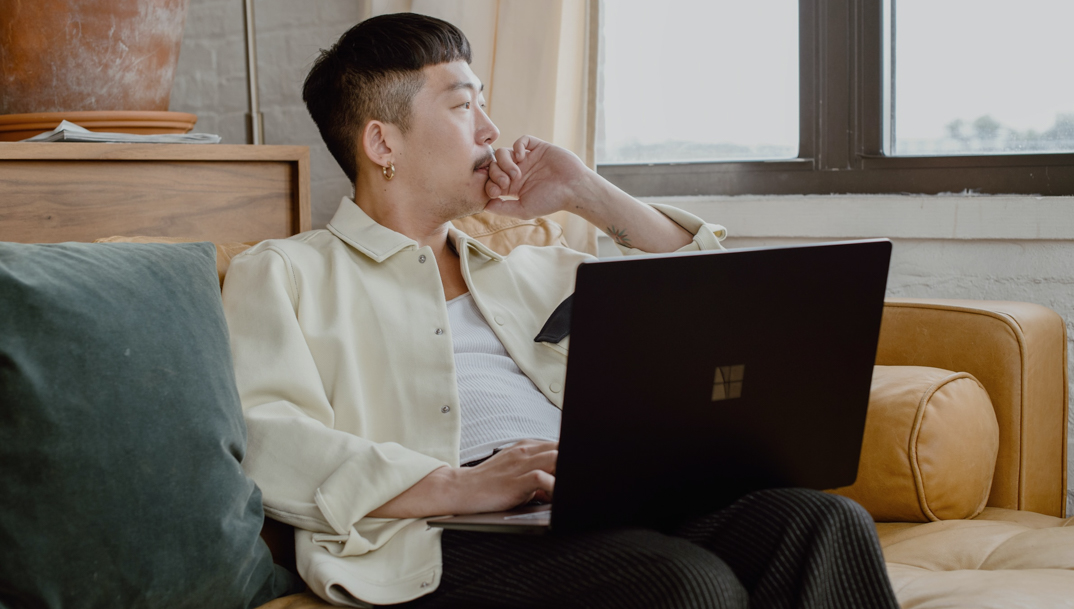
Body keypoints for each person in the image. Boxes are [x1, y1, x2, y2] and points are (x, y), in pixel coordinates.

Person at [222, 12, 899, 609]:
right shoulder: (286, 273)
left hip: (602, 502)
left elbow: (717, 295)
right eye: (462, 107)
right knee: (685, 585)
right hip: (441, 533)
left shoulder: (536, 269)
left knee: (824, 523)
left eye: (484, 103)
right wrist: (461, 485)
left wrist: (587, 192)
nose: (491, 131)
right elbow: (271, 436)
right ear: (381, 143)